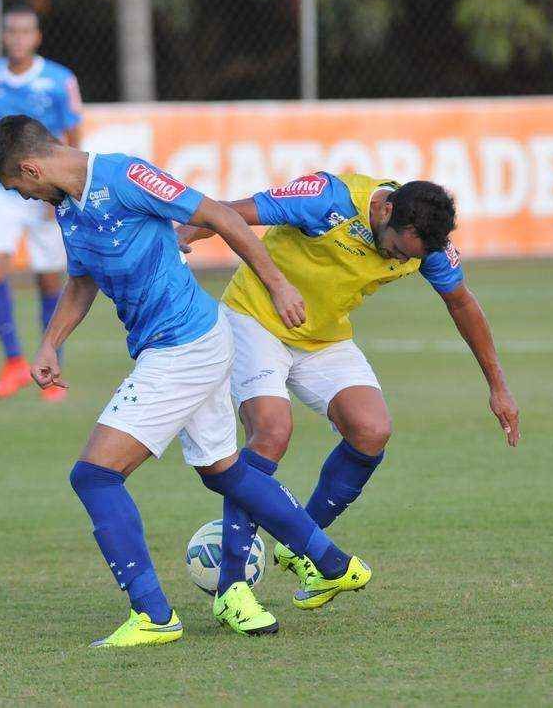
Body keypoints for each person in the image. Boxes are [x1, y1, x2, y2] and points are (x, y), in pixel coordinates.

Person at [0, 115, 375, 647]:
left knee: (95, 476)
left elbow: (221, 216)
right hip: (180, 343)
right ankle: (332, 563)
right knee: (223, 471)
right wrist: (52, 342)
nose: (24, 198)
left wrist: (278, 285)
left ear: (31, 168)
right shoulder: (68, 208)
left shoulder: (124, 177)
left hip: (183, 346)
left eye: (18, 187)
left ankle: (153, 615)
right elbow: (82, 279)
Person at [175, 171, 521, 600]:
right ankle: (233, 589)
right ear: (385, 210)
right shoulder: (328, 199)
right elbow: (229, 213)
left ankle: (299, 544)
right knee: (272, 431)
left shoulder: (425, 243)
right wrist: (184, 232)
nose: (398, 260)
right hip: (256, 319)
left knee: (371, 430)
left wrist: (498, 387)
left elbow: (461, 302)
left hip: (322, 334)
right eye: (397, 250)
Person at [0, 6, 83, 401]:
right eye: (11, 31)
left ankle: (51, 369)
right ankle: (13, 362)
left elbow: (73, 133)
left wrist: (65, 187)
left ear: (36, 37)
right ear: (4, 36)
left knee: (49, 279)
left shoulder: (59, 79)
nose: (18, 38)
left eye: (25, 31)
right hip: (5, 188)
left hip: (46, 189)